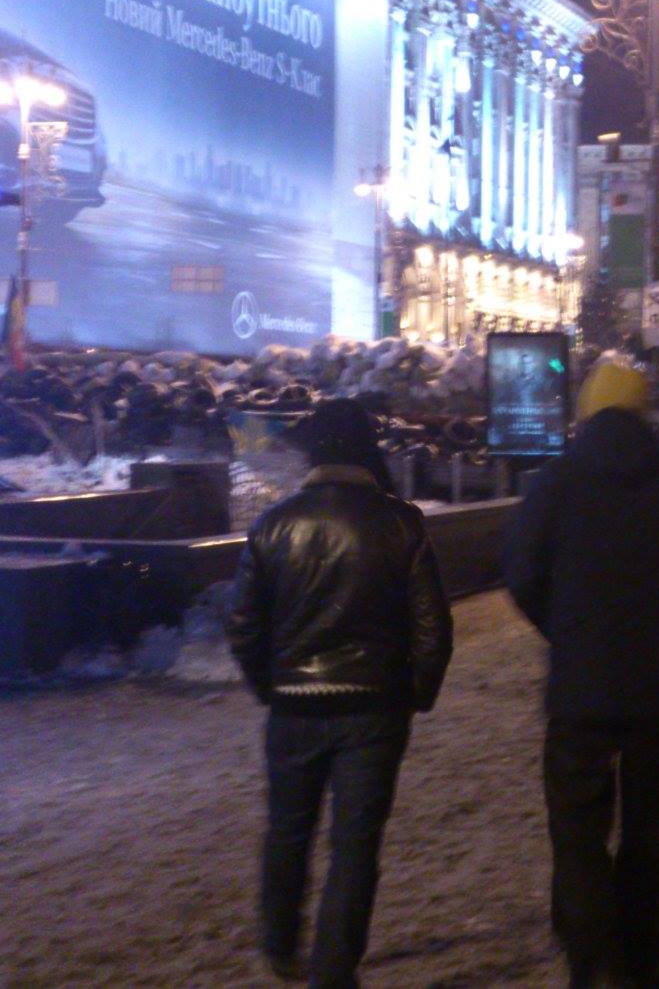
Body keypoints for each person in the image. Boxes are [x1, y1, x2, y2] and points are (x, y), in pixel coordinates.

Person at [502, 362, 659, 989]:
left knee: (578, 834)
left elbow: (521, 573)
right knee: (645, 836)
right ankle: (642, 961)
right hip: (656, 695)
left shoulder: (555, 483)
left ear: (587, 414)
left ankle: (589, 958)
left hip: (580, 695)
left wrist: (565, 630)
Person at [228, 397, 454, 988]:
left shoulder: (273, 524)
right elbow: (432, 628)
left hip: (293, 708)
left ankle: (280, 948)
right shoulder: (401, 522)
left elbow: (243, 626)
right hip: (375, 710)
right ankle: (334, 968)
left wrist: (271, 686)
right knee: (356, 845)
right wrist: (416, 695)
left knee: (288, 830)